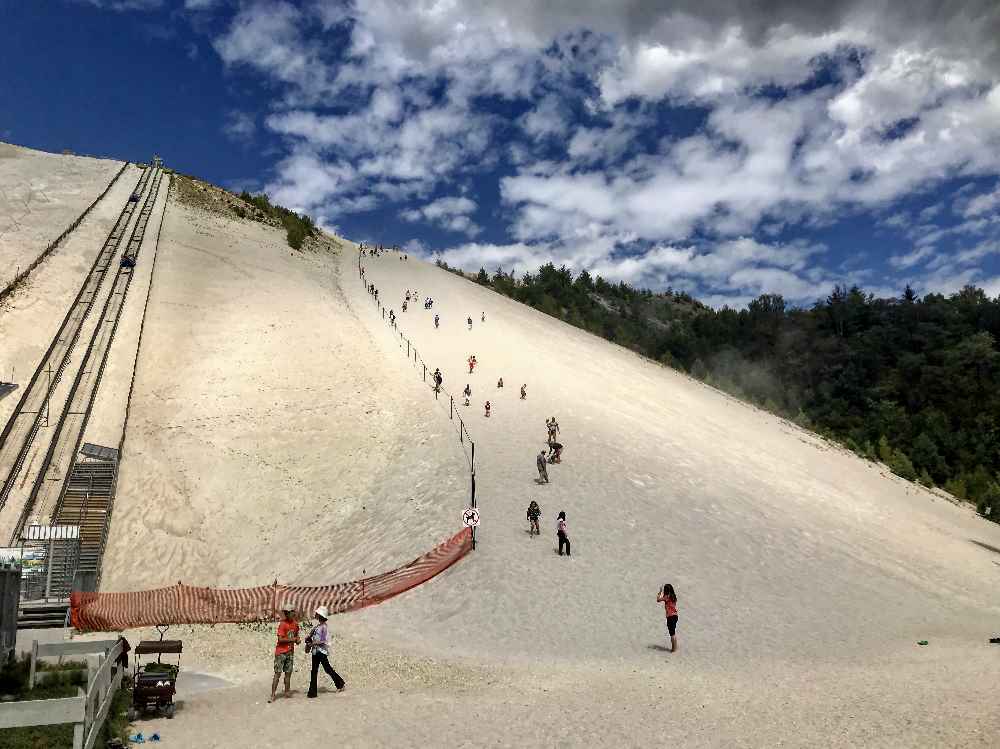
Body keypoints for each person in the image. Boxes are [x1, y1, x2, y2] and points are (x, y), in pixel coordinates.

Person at [306, 606, 346, 697]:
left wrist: (313, 643)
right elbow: (313, 636)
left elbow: (324, 640)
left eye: (317, 613)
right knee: (314, 671)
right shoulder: (318, 626)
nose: (315, 614)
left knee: (327, 669)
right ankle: (312, 692)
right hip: (315, 651)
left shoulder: (324, 627)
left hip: (321, 651)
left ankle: (340, 684)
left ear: (320, 615)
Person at [269, 603, 301, 703]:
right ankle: (273, 695)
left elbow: (296, 636)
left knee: (288, 673)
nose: (287, 614)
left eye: (289, 612)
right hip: (281, 652)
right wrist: (293, 639)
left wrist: (297, 640)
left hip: (290, 652)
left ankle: (287, 692)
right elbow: (280, 639)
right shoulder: (282, 624)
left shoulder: (295, 624)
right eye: (286, 612)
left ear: (293, 612)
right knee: (277, 674)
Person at [656, 584, 679, 653]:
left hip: (670, 616)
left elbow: (658, 600)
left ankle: (673, 649)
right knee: (673, 632)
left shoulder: (666, 596)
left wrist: (659, 592)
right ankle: (675, 647)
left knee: (672, 633)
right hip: (675, 616)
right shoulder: (673, 596)